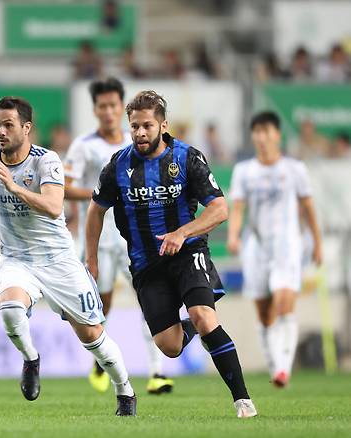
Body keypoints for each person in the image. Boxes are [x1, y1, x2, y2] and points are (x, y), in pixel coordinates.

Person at [0, 96, 137, 416]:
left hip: (58, 261)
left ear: (26, 128)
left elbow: (55, 206)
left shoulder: (46, 161)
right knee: (10, 310)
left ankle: (124, 390)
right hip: (16, 260)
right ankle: (31, 359)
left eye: (8, 125)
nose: (1, 131)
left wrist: (15, 188)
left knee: (93, 336)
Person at [86, 90, 257, 418]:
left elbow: (220, 209)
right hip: (146, 263)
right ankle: (191, 326)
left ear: (162, 125)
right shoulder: (119, 165)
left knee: (205, 317)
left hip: (187, 252)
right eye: (134, 126)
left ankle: (243, 401)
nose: (139, 133)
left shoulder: (187, 158)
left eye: (147, 126)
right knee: (170, 346)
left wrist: (183, 232)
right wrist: (91, 257)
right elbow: (96, 210)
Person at [64, 78, 173, 395]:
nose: (109, 111)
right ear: (95, 109)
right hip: (99, 238)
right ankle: (101, 362)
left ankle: (157, 373)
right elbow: (65, 188)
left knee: (150, 300)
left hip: (137, 239)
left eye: (114, 105)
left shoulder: (141, 139)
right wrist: (104, 194)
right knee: (103, 306)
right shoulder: (84, 146)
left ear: (121, 107)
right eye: (103, 106)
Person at [227, 111, 323, 388]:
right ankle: (273, 363)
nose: (262, 137)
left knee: (284, 303)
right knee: (264, 312)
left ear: (277, 135)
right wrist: (234, 236)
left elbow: (307, 207)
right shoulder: (244, 170)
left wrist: (316, 242)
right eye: (257, 132)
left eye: (267, 131)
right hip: (256, 245)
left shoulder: (294, 169)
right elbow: (238, 208)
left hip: (287, 244)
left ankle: (283, 368)